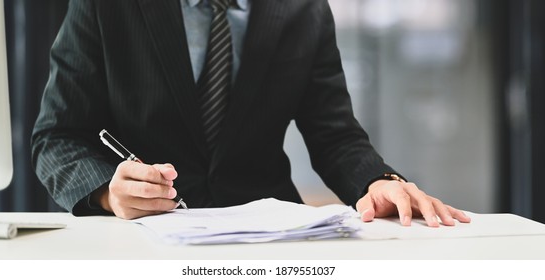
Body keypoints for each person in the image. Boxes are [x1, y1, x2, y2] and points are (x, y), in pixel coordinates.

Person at [32, 0, 471, 227]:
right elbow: (57, 136)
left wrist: (378, 181)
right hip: (141, 238)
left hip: (270, 241)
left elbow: (335, 136)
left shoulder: (305, 10)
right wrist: (109, 191)